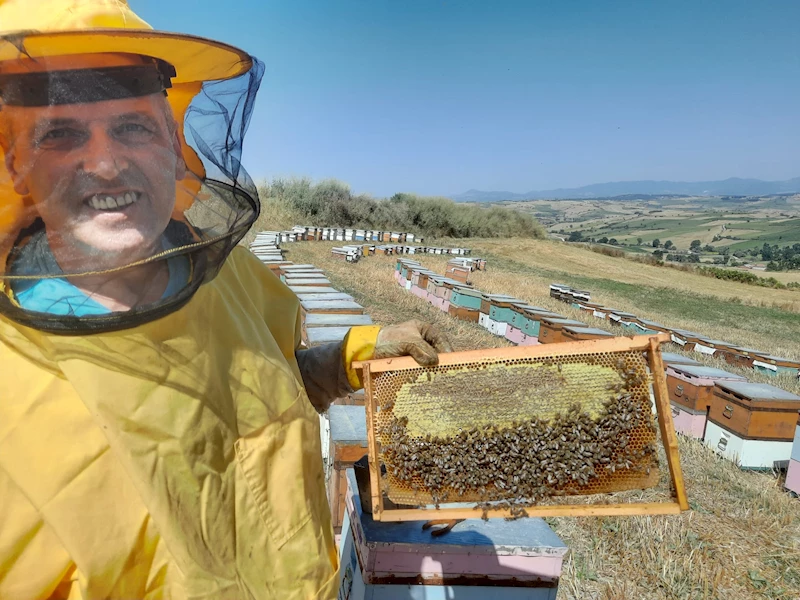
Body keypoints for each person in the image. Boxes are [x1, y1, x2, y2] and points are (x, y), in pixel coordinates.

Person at [0, 2, 452, 598]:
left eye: (133, 126)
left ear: (173, 145)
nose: (107, 164)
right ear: (15, 164)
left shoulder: (237, 277)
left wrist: (346, 358)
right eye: (61, 133)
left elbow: (269, 388)